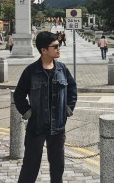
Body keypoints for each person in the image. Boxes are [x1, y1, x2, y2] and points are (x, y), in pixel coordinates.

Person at [14, 31, 77, 183]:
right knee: (30, 167)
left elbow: (72, 90)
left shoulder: (62, 69)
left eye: (59, 45)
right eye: (55, 46)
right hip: (36, 127)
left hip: (58, 128)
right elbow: (19, 95)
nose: (59, 48)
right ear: (43, 50)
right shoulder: (31, 71)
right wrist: (27, 112)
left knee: (57, 168)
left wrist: (68, 109)